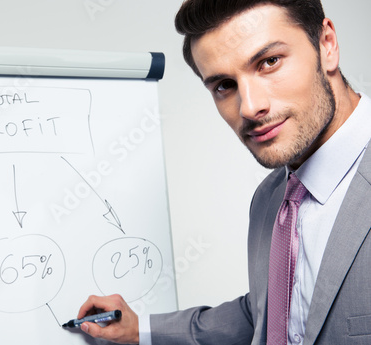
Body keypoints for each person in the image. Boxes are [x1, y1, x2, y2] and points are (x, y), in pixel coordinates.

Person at [73, 0, 371, 344]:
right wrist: (142, 329)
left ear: (327, 44)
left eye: (269, 62)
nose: (250, 106)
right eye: (224, 86)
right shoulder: (271, 198)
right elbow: (266, 314)